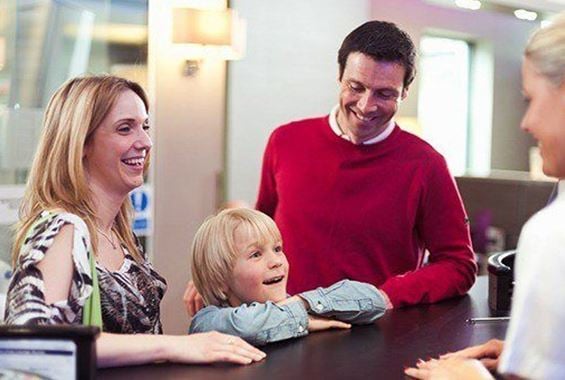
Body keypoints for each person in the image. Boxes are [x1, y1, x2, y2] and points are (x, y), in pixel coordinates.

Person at [185, 20, 477, 315]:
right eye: (356, 87)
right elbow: (259, 232)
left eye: (384, 94)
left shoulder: (427, 165)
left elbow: (459, 265)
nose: (366, 106)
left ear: (405, 91)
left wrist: (386, 296)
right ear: (339, 76)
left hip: (376, 333)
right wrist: (214, 271)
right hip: (285, 324)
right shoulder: (284, 141)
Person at [4, 75, 266, 367]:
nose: (145, 142)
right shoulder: (62, 229)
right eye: (125, 129)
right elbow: (36, 344)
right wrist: (175, 346)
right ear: (81, 143)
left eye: (145, 126)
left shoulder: (117, 232)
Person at [405, 12, 565, 380]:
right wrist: (525, 352)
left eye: (531, 99)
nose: (527, 122)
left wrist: (465, 377)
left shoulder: (553, 233)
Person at [188, 208, 387, 345]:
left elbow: (375, 302)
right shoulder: (207, 321)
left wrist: (303, 303)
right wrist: (303, 318)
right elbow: (248, 326)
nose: (276, 261)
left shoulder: (299, 305)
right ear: (221, 281)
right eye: (256, 254)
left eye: (277, 249)